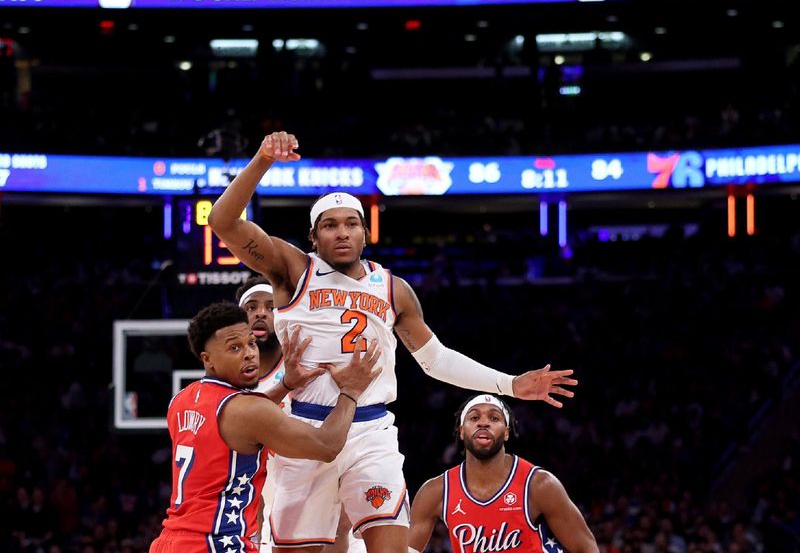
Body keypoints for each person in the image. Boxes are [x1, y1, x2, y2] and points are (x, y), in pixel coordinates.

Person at [208, 131, 578, 553]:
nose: (341, 233)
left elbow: (435, 358)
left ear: (366, 233)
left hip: (372, 430)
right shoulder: (293, 269)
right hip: (305, 429)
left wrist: (511, 384)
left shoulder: (393, 288)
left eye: (351, 224)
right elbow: (222, 222)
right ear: (313, 238)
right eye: (329, 226)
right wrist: (262, 160)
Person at [149, 301, 381, 553]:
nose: (249, 353)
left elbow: (241, 422)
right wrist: (351, 391)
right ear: (208, 360)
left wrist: (285, 385)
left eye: (251, 343)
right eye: (234, 348)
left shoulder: (181, 401)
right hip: (216, 543)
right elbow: (327, 445)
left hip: (169, 541)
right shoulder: (248, 411)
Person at [236, 277, 365, 553]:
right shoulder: (229, 381)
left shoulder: (310, 360)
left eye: (271, 307)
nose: (261, 313)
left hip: (317, 482)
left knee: (338, 530)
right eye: (251, 307)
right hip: (265, 494)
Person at [408, 394, 599, 553]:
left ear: (506, 432)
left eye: (494, 418)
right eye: (474, 418)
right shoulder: (436, 491)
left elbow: (587, 548)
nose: (483, 423)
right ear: (462, 431)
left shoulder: (539, 484)